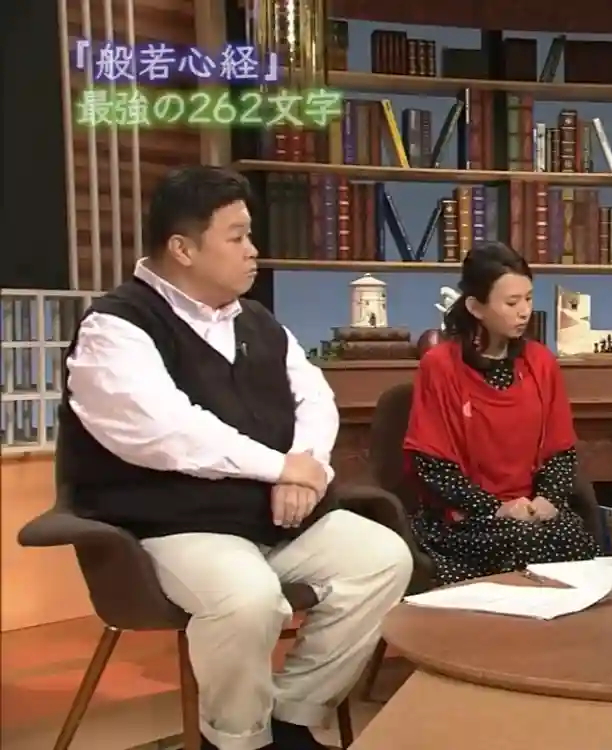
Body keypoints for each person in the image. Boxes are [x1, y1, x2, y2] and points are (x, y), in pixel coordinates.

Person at [62, 166, 414, 750]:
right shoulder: (116, 327)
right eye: (237, 236)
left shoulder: (258, 322)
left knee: (382, 559)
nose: (253, 250)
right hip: (171, 525)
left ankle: (294, 717)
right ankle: (238, 740)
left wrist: (304, 468)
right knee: (247, 599)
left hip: (273, 516)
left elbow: (314, 399)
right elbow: (163, 429)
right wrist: (277, 468)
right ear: (183, 248)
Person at [404, 241, 599, 584]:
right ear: (476, 307)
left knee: (572, 536)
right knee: (522, 541)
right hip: (465, 518)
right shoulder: (440, 367)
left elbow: (561, 451)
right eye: (511, 302)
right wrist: (495, 507)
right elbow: (432, 467)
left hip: (531, 510)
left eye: (528, 299)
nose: (524, 311)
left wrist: (547, 500)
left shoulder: (541, 362)